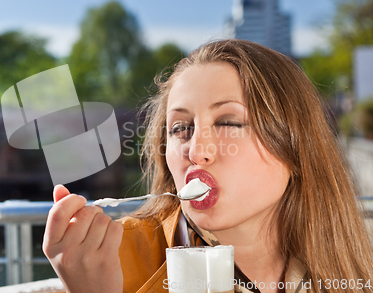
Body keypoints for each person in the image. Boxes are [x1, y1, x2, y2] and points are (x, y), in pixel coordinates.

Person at [42, 39, 373, 293]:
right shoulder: (112, 261)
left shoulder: (353, 262)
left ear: (296, 145)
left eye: (228, 122)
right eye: (180, 129)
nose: (197, 152)